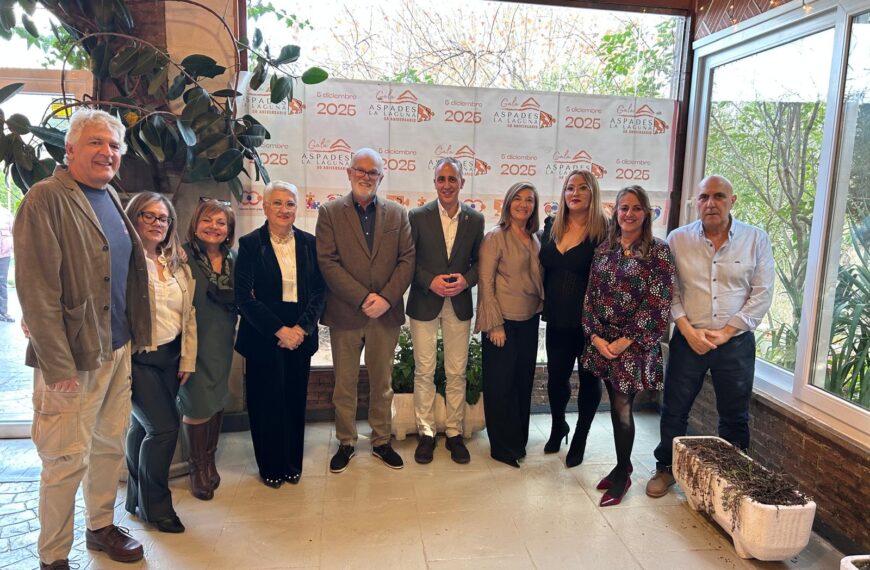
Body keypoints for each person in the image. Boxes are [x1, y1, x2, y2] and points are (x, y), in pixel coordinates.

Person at [14, 109, 151, 569]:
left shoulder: (108, 194)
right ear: (69, 148)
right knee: (64, 459)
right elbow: (36, 291)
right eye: (96, 142)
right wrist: (57, 366)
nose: (107, 152)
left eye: (114, 145)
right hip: (72, 358)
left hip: (116, 348)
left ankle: (100, 526)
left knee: (109, 445)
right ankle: (53, 556)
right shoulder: (45, 199)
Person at [647, 175, 774, 498]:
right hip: (688, 339)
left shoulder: (755, 239)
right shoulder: (678, 239)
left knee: (734, 415)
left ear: (732, 201)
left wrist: (727, 332)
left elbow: (761, 293)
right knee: (674, 409)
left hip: (735, 343)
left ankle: (732, 480)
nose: (711, 203)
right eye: (704, 197)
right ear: (696, 202)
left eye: (718, 196)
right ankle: (666, 468)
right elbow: (669, 290)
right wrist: (688, 330)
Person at [316, 148, 415, 473]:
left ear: (381, 177)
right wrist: (362, 298)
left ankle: (381, 440)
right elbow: (327, 262)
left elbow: (407, 260)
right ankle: (346, 442)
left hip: (385, 314)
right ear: (349, 173)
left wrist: (385, 298)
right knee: (344, 385)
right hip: (346, 313)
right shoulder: (330, 212)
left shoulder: (398, 214)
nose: (366, 176)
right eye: (360, 169)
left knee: (382, 384)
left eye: (373, 172)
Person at [581, 185, 674, 506]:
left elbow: (658, 303)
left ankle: (622, 474)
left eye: (636, 208)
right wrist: (595, 337)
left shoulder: (659, 252)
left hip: (633, 346)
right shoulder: (604, 249)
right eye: (624, 208)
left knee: (622, 407)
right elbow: (590, 296)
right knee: (614, 402)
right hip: (602, 343)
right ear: (615, 212)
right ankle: (624, 464)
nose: (629, 214)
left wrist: (623, 342)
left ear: (646, 213)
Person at [235, 181, 326, 487]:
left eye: (290, 204)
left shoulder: (310, 243)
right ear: (264, 207)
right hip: (263, 333)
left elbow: (319, 292)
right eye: (277, 203)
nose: (284, 209)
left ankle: (291, 463)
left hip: (300, 333)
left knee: (294, 400)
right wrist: (279, 330)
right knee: (265, 402)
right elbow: (244, 297)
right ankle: (270, 467)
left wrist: (301, 328)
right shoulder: (250, 244)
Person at [124, 192, 197, 533]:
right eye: (148, 215)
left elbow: (188, 315)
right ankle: (157, 508)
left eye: (164, 218)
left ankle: (136, 499)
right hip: (139, 358)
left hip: (171, 356)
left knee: (142, 428)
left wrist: (187, 358)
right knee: (164, 429)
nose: (157, 223)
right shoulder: (124, 259)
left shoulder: (174, 263)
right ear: (133, 217)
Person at [407, 157, 484, 464]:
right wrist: (430, 281)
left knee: (456, 372)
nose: (447, 184)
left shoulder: (475, 220)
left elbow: (479, 263)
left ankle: (454, 433)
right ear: (435, 182)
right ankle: (425, 433)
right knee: (424, 371)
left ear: (462, 182)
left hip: (459, 303)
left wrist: (467, 280)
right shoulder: (417, 216)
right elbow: (408, 261)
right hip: (425, 301)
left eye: (453, 179)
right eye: (442, 179)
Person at [539, 170, 608, 464]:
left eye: (582, 188)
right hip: (557, 318)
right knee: (556, 379)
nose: (575, 193)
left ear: (593, 193)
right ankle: (559, 426)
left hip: (591, 324)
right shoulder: (552, 225)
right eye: (569, 188)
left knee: (590, 381)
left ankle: (580, 437)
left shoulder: (605, 231)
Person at [475, 182, 544, 468]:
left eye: (529, 200)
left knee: (521, 384)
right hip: (502, 323)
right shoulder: (495, 237)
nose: (523, 204)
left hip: (529, 321)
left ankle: (518, 442)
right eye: (518, 198)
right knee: (500, 386)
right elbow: (485, 282)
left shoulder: (535, 238)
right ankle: (502, 448)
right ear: (507, 203)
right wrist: (494, 325)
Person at [180, 198, 237, 500]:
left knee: (216, 397)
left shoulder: (233, 259)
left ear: (229, 230)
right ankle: (196, 467)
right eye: (207, 220)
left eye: (221, 222)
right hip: (191, 341)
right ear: (195, 224)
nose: (213, 227)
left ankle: (209, 459)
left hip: (221, 338)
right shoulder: (181, 256)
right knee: (196, 403)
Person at [0, 204, 13, 322]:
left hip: (4, 255)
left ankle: (3, 312)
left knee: (2, 283)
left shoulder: (6, 213)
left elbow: (14, 232)